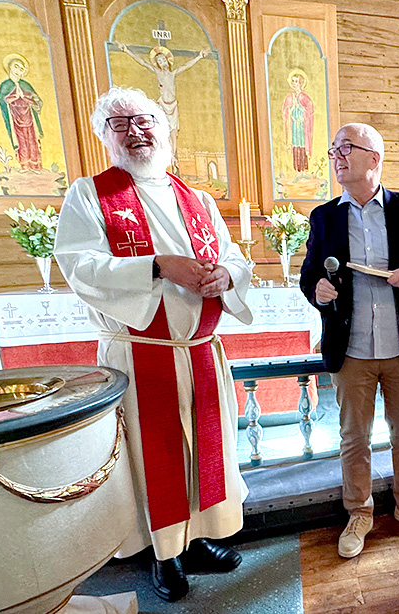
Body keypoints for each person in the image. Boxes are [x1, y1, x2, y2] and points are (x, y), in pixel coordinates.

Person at [54, 86, 253, 602]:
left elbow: (235, 257)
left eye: (144, 120)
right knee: (154, 455)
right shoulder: (89, 195)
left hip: (201, 351)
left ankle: (201, 536)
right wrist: (160, 265)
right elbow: (79, 264)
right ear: (105, 137)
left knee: (206, 449)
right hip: (141, 353)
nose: (136, 131)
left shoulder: (199, 199)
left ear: (165, 129)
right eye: (120, 124)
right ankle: (164, 554)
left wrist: (226, 279)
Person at [299, 123, 399, 559]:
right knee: (354, 438)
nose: (337, 156)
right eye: (333, 150)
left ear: (374, 157)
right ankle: (360, 513)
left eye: (346, 148)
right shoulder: (325, 216)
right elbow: (309, 273)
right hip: (351, 350)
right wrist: (318, 290)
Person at [0, 53, 44, 170]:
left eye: (21, 68)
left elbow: (37, 100)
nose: (19, 70)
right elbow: (2, 100)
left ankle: (35, 165)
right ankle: (24, 165)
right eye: (16, 66)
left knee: (32, 140)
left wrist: (30, 99)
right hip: (15, 118)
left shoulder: (25, 85)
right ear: (9, 67)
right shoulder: (5, 85)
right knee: (21, 141)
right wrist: (14, 96)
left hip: (29, 118)